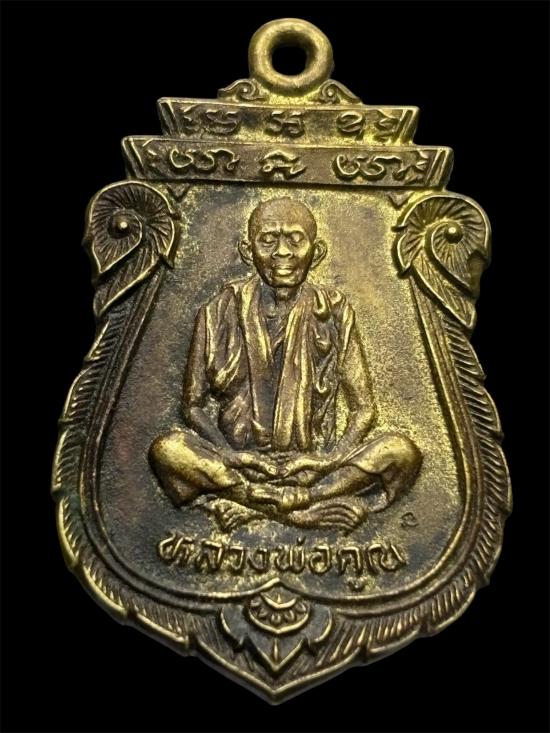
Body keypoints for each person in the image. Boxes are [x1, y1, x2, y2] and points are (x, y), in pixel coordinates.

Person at [150, 197, 421, 530]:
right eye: (268, 240)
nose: (282, 253)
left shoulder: (334, 309)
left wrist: (329, 460)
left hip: (314, 469)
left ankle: (257, 504)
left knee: (399, 450)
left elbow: (363, 409)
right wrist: (229, 454)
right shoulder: (217, 311)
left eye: (295, 240)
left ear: (316, 252)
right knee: (168, 449)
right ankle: (296, 510)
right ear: (247, 251)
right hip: (241, 467)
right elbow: (192, 406)